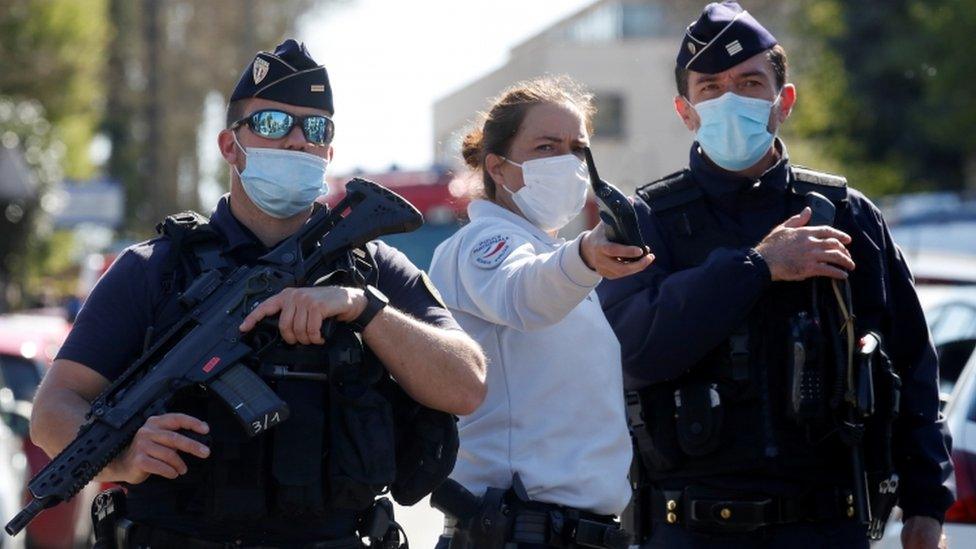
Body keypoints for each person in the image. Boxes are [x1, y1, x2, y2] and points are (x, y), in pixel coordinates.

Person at [29, 39, 487, 548]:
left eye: (316, 129)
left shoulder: (371, 268)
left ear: (328, 152)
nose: (296, 141)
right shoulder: (153, 270)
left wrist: (363, 309)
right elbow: (52, 411)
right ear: (230, 145)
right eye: (272, 123)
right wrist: (124, 456)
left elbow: (466, 385)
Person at [597, 3, 953, 548]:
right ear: (685, 110)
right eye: (710, 87)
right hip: (691, 529)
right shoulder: (647, 220)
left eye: (749, 82)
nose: (729, 100)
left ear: (782, 101)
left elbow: (908, 360)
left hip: (827, 524)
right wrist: (758, 266)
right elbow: (635, 351)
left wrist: (928, 502)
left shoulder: (846, 212)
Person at [427, 77, 654, 549]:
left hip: (575, 533)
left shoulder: (550, 255)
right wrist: (586, 256)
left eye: (577, 149)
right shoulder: (483, 243)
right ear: (499, 168)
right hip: (518, 531)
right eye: (546, 146)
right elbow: (522, 294)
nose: (567, 162)